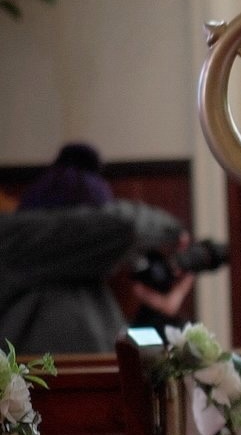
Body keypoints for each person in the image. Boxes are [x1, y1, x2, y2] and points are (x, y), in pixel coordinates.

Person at [0, 143, 187, 355]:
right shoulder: (19, 245)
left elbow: (130, 353)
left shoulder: (86, 286)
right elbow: (126, 227)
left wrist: (158, 313)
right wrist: (174, 231)